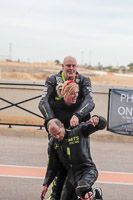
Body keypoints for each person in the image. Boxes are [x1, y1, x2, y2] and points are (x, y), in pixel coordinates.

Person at [41, 116, 107, 200]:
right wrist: (46, 183)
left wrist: (97, 119)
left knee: (81, 189)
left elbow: (102, 125)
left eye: (58, 133)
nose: (57, 137)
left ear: (62, 126)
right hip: (71, 174)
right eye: (53, 135)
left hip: (87, 170)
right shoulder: (53, 143)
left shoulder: (79, 131)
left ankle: (96, 193)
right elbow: (52, 165)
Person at [39, 56, 95, 128]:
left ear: (76, 67)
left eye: (73, 66)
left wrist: (77, 115)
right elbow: (43, 102)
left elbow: (90, 101)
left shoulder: (84, 80)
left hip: (78, 123)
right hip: (58, 123)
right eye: (68, 65)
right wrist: (51, 120)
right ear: (63, 66)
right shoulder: (52, 80)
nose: (71, 68)